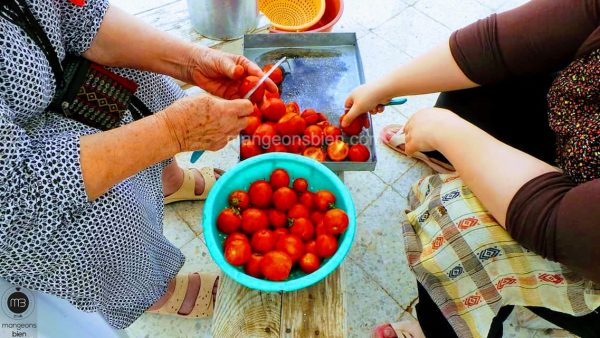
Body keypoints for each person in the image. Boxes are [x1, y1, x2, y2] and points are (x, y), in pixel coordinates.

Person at [0, 0, 275, 329]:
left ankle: (167, 182)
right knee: (107, 214)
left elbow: (80, 16)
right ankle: (154, 291)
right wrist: (173, 131)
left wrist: (191, 62)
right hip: (18, 192)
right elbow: (16, 197)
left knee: (144, 77)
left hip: (53, 79)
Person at [343, 0, 600, 337]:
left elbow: (561, 225)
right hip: (582, 139)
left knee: (458, 226)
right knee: (485, 78)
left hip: (584, 239)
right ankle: (450, 160)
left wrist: (446, 131)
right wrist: (383, 87)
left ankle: (439, 330)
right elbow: (492, 46)